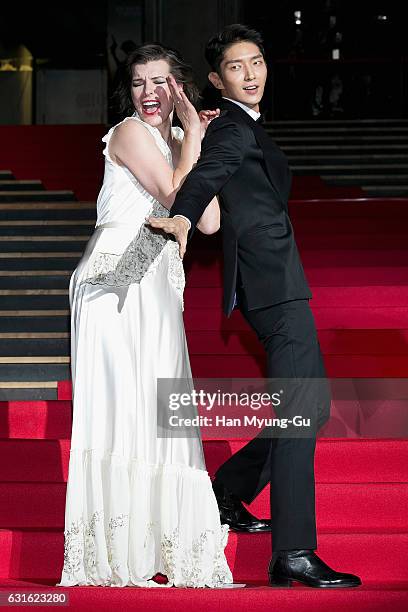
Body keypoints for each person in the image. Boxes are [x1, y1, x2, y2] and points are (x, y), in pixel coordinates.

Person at [148, 24, 362, 589]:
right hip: (273, 288)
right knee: (301, 415)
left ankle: (228, 490)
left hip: (278, 281)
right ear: (218, 79)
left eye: (257, 62)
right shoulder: (231, 130)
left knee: (308, 409)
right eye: (237, 67)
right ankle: (292, 552)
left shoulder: (245, 125)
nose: (251, 73)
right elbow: (207, 174)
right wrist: (183, 216)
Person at [56, 43, 234, 588]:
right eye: (138, 83)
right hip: (114, 282)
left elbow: (207, 223)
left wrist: (189, 140)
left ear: (178, 87)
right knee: (122, 413)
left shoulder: (176, 142)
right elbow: (171, 192)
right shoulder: (130, 133)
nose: (149, 93)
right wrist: (193, 141)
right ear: (129, 91)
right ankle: (115, 553)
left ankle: (161, 545)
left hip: (155, 285)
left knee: (158, 413)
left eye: (160, 82)